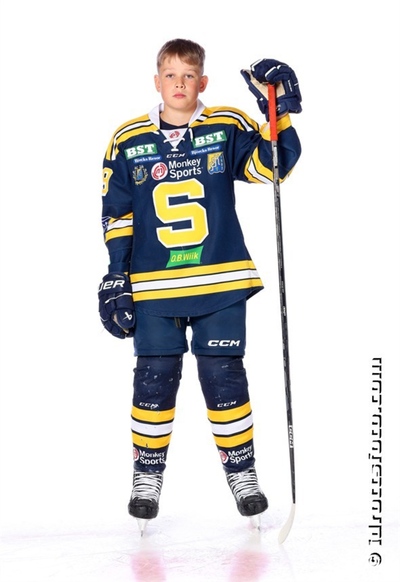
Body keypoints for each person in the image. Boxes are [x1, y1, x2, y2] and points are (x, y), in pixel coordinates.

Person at [98, 38, 302, 527]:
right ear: (156, 81)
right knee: (153, 380)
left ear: (202, 81)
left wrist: (278, 114)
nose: (179, 83)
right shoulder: (127, 138)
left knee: (223, 377)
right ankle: (146, 477)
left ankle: (243, 475)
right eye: (170, 75)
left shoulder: (226, 124)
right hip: (154, 287)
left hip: (220, 279)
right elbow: (118, 213)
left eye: (189, 75)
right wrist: (116, 274)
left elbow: (271, 167)